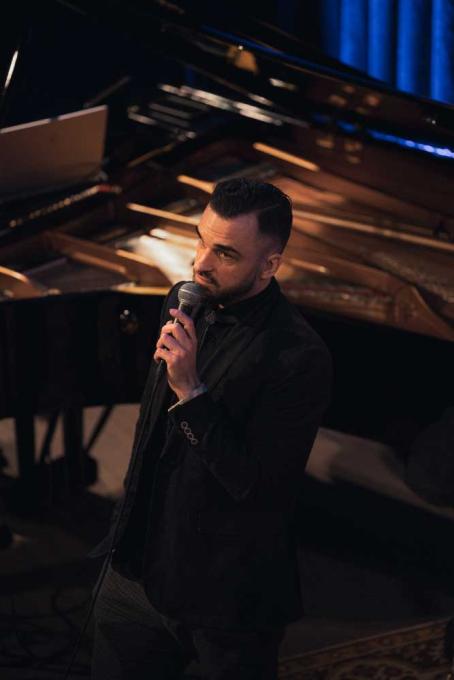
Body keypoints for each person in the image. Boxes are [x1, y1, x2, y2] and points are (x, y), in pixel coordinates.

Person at [90, 178, 332, 679]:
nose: (200, 263)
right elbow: (151, 437)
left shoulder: (298, 357)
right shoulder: (183, 301)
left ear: (269, 264)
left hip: (223, 597)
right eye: (201, 240)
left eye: (225, 253)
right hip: (135, 568)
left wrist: (191, 393)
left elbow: (258, 488)